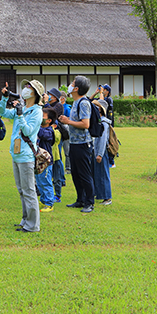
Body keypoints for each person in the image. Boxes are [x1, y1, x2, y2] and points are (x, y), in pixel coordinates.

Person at [0, 80, 44, 233]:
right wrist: (4, 98)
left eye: (28, 87)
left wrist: (20, 115)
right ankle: (25, 220)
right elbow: (2, 112)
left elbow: (28, 131)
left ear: (35, 93)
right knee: (21, 190)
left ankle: (33, 225)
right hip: (16, 154)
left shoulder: (37, 111)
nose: (25, 89)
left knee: (29, 190)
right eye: (25, 86)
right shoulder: (23, 108)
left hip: (26, 156)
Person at [58, 76, 96, 214]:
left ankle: (89, 202)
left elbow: (85, 124)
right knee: (75, 173)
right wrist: (66, 121)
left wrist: (68, 122)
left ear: (76, 88)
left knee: (85, 174)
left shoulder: (83, 103)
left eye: (72, 83)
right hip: (74, 143)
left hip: (83, 144)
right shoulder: (75, 102)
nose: (70, 85)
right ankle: (80, 199)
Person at [93, 99, 113, 205]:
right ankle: (100, 195)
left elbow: (103, 140)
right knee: (97, 174)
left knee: (104, 174)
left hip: (101, 151)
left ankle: (107, 197)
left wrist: (99, 154)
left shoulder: (104, 123)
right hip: (96, 151)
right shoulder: (98, 121)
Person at [37, 108, 57, 212]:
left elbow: (42, 135)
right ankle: (44, 200)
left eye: (42, 116)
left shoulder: (49, 131)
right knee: (39, 181)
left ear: (49, 120)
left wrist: (35, 124)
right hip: (38, 160)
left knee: (46, 182)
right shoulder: (41, 129)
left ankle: (49, 203)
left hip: (46, 161)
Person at [60, 90, 72, 174]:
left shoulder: (67, 108)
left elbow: (70, 120)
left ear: (63, 99)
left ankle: (68, 168)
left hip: (66, 132)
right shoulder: (57, 107)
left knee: (67, 151)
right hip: (58, 131)